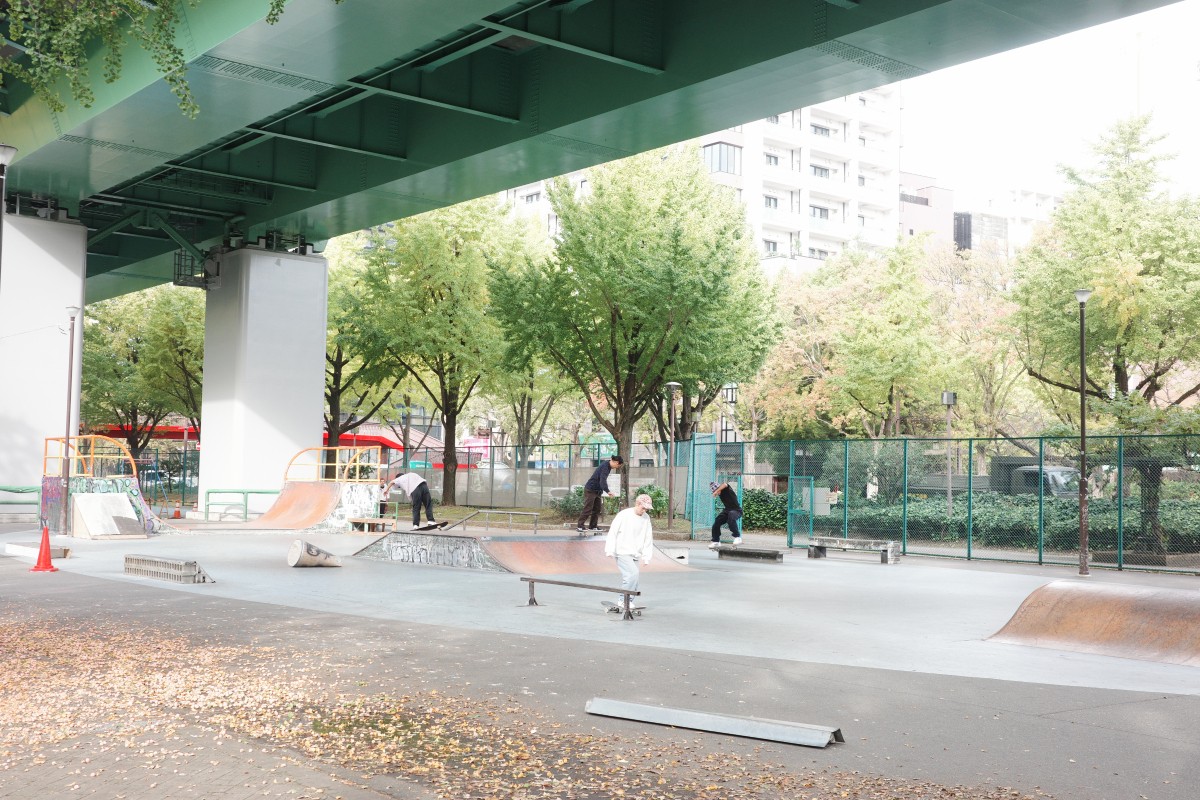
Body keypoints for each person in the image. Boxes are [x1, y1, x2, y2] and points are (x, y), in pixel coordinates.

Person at [604, 493, 655, 611]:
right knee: (631, 575)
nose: (645, 511)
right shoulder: (624, 515)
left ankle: (629, 601)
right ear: (637, 504)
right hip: (622, 551)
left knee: (635, 579)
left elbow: (648, 537)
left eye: (647, 509)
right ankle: (623, 600)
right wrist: (609, 550)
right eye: (643, 508)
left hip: (635, 553)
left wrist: (647, 556)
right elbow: (613, 532)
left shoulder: (646, 518)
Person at [577, 454, 623, 533]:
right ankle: (580, 526)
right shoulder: (605, 467)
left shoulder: (608, 466)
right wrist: (608, 491)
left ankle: (593, 526)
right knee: (588, 508)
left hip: (597, 491)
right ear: (616, 462)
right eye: (618, 466)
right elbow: (602, 481)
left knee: (597, 509)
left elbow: (601, 481)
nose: (617, 467)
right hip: (590, 489)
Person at [709, 479, 743, 549]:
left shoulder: (726, 490)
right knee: (717, 521)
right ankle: (716, 541)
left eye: (717, 491)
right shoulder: (720, 494)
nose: (717, 494)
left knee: (731, 516)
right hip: (727, 510)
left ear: (718, 489)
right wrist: (716, 491)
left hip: (737, 510)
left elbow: (725, 484)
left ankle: (737, 537)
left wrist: (716, 490)